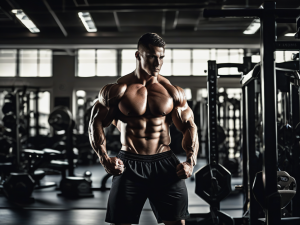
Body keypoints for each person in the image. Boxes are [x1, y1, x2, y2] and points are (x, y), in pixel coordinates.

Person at [89, 33, 199, 225]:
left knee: (177, 222)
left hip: (164, 163)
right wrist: (104, 158)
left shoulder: (172, 91)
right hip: (129, 163)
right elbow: (95, 122)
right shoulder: (117, 90)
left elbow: (189, 126)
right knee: (121, 222)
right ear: (138, 55)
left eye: (161, 57)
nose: (158, 62)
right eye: (151, 56)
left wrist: (191, 161)